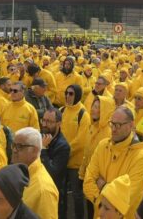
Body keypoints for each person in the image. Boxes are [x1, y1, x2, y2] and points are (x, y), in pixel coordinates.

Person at [84, 107, 143, 219]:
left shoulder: (140, 157)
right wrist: (103, 203)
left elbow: (128, 196)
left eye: (118, 125)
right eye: (112, 124)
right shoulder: (102, 146)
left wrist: (103, 186)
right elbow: (87, 182)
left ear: (131, 125)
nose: (113, 129)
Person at [13, 127, 60, 219]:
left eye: (20, 147)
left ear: (34, 150)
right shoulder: (18, 173)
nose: (14, 150)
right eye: (14, 145)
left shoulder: (44, 189)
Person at [60, 84, 90, 219]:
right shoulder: (61, 111)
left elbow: (80, 141)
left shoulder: (83, 114)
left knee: (77, 195)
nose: (67, 96)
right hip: (61, 160)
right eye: (66, 93)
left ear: (77, 95)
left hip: (75, 163)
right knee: (61, 193)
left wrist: (64, 152)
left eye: (71, 94)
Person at [39, 108, 69, 218]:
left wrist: (43, 149)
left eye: (50, 122)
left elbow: (52, 172)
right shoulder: (39, 136)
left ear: (59, 123)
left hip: (55, 195)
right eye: (44, 120)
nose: (45, 124)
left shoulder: (63, 146)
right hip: (39, 190)